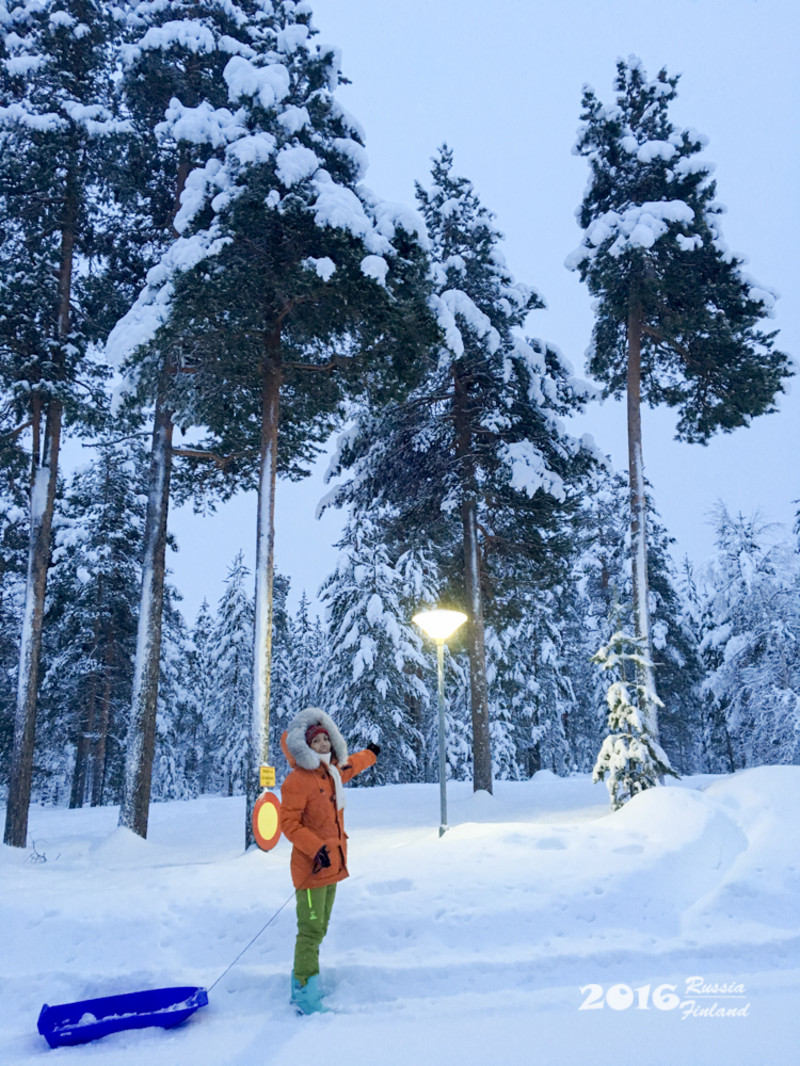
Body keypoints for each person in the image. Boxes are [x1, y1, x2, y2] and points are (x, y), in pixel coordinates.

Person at [279, 707, 379, 1014]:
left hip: (332, 866)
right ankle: (304, 991)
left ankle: (306, 980)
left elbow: (353, 766)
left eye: (326, 740)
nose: (323, 744)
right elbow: (289, 824)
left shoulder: (331, 773)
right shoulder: (297, 780)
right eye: (317, 741)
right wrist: (315, 848)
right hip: (311, 868)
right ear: (305, 745)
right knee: (309, 930)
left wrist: (371, 754)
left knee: (319, 929)